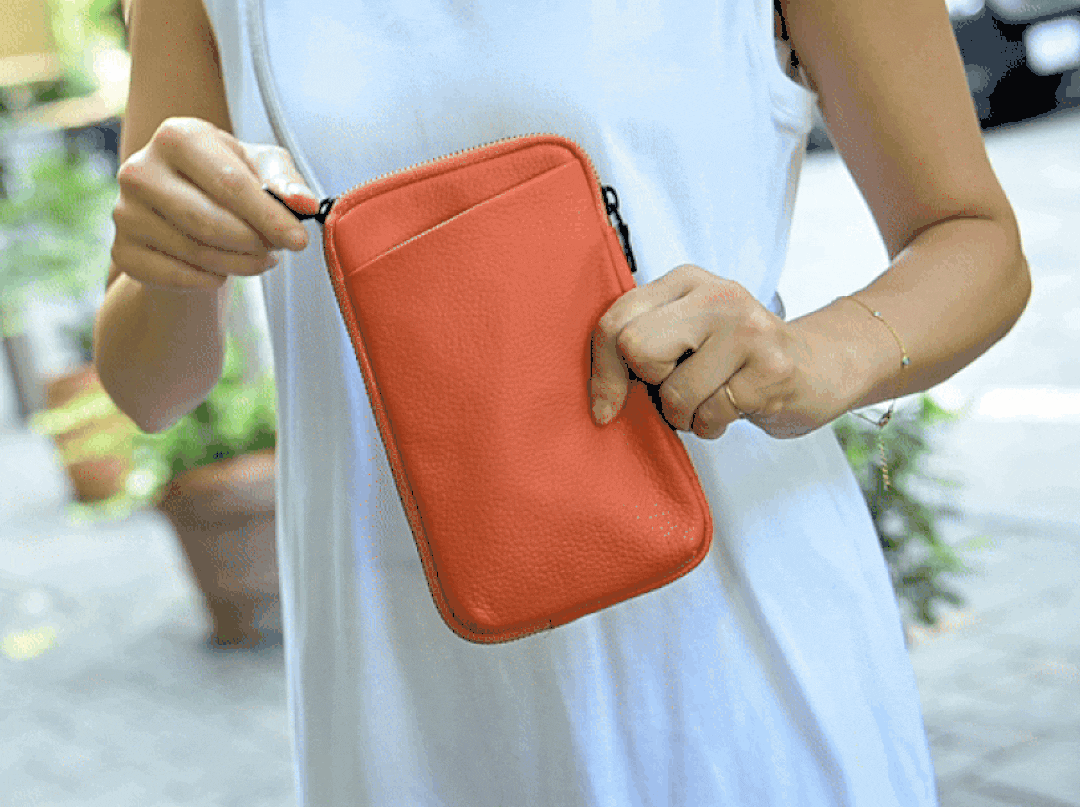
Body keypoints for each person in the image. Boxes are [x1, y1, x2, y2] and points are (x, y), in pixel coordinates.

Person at [95, 0, 1030, 803]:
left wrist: (816, 354)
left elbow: (972, 237)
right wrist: (169, 260)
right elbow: (148, 386)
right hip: (400, 701)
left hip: (727, 672)